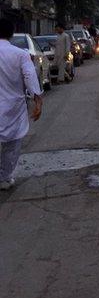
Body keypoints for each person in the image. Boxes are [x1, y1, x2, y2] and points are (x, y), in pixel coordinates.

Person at [0, 17, 43, 190]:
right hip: (13, 106)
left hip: (12, 105)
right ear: (11, 34)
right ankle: (4, 177)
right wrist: (38, 101)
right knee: (13, 143)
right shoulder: (20, 54)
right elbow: (30, 77)